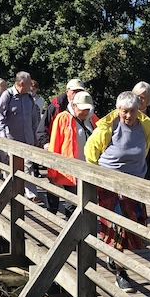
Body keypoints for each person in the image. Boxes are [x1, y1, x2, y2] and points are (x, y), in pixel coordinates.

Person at [85, 91, 150, 292]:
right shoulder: (108, 127)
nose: (128, 115)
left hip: (135, 186)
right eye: (124, 111)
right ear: (118, 110)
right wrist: (97, 178)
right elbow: (90, 152)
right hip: (111, 186)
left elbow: (145, 150)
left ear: (138, 110)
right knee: (116, 229)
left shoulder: (145, 126)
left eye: (132, 111)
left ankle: (113, 257)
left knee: (132, 229)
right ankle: (120, 271)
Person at [47, 90, 98, 218]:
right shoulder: (63, 118)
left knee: (89, 203)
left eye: (87, 109)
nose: (85, 112)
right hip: (70, 170)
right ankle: (71, 229)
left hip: (89, 169)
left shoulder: (92, 119)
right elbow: (54, 145)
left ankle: (86, 229)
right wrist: (52, 172)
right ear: (74, 105)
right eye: (82, 109)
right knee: (72, 203)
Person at [40, 79, 88, 213]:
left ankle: (69, 220)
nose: (77, 94)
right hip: (57, 153)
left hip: (78, 162)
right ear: (67, 92)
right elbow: (42, 129)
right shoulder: (56, 107)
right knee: (55, 190)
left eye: (80, 91)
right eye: (74, 91)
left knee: (73, 199)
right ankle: (52, 213)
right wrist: (47, 143)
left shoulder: (87, 112)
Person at [0, 71, 41, 199]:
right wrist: (3, 139)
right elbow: (0, 118)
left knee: (28, 165)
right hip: (12, 140)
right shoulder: (8, 95)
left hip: (27, 139)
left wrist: (36, 136)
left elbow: (34, 119)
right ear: (21, 84)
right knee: (10, 167)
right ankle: (10, 192)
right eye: (28, 84)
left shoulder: (29, 98)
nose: (31, 86)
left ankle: (32, 195)